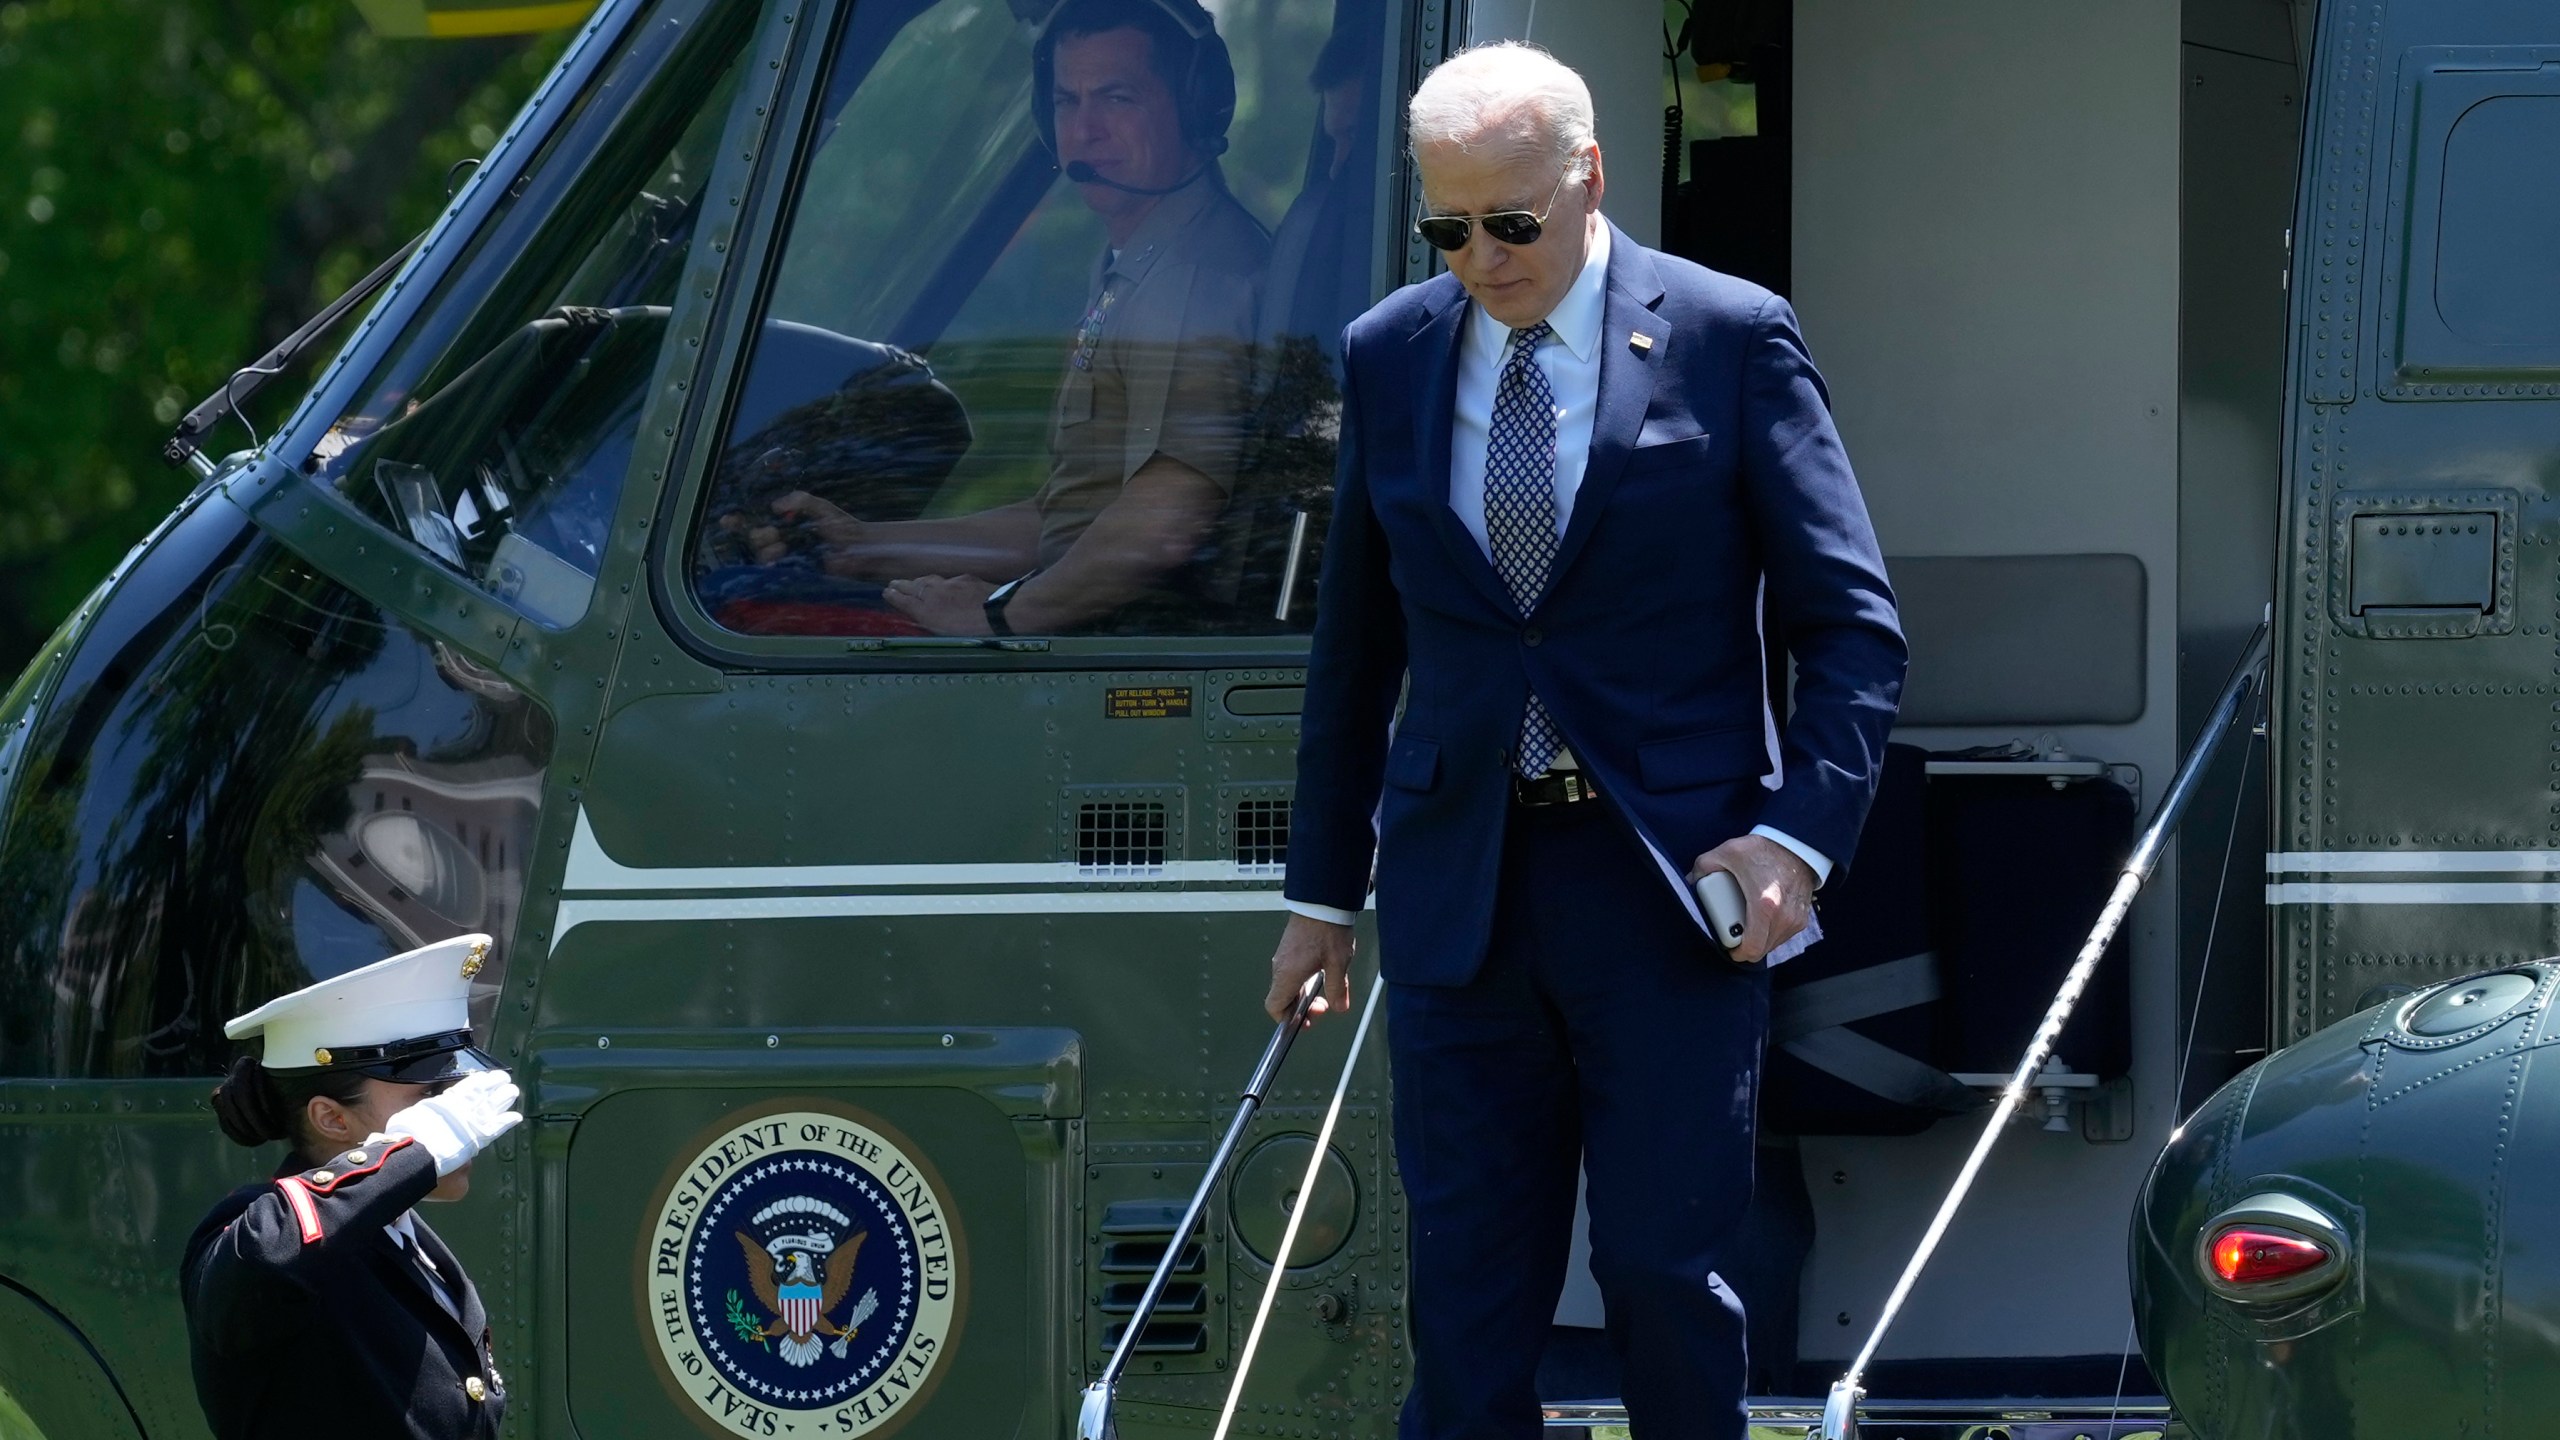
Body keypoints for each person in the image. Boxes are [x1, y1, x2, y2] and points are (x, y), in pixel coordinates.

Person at [1265, 42, 1905, 1440]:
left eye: (1511, 221)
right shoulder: (1389, 352)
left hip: (1664, 887)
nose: (1481, 259)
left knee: (1667, 1276)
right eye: (1446, 229)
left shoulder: (1730, 335)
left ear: (1590, 176)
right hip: (1460, 890)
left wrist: (1795, 842)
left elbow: (1853, 630)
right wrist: (1319, 895)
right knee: (1464, 1297)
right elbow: (1355, 652)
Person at [743, 0, 1268, 635]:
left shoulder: (1192, 280)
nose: (1084, 131)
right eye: (1067, 102)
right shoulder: (1140, 261)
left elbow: (1165, 524)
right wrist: (859, 546)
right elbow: (1063, 520)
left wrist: (1000, 619)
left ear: (1196, 108)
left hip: (1130, 645)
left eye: (1117, 98)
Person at [181, 934, 526, 1440]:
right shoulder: (264, 1232)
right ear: (331, 1118)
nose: (455, 1117)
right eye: (431, 1096)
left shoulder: (407, 1239)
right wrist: (414, 1152)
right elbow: (264, 1264)